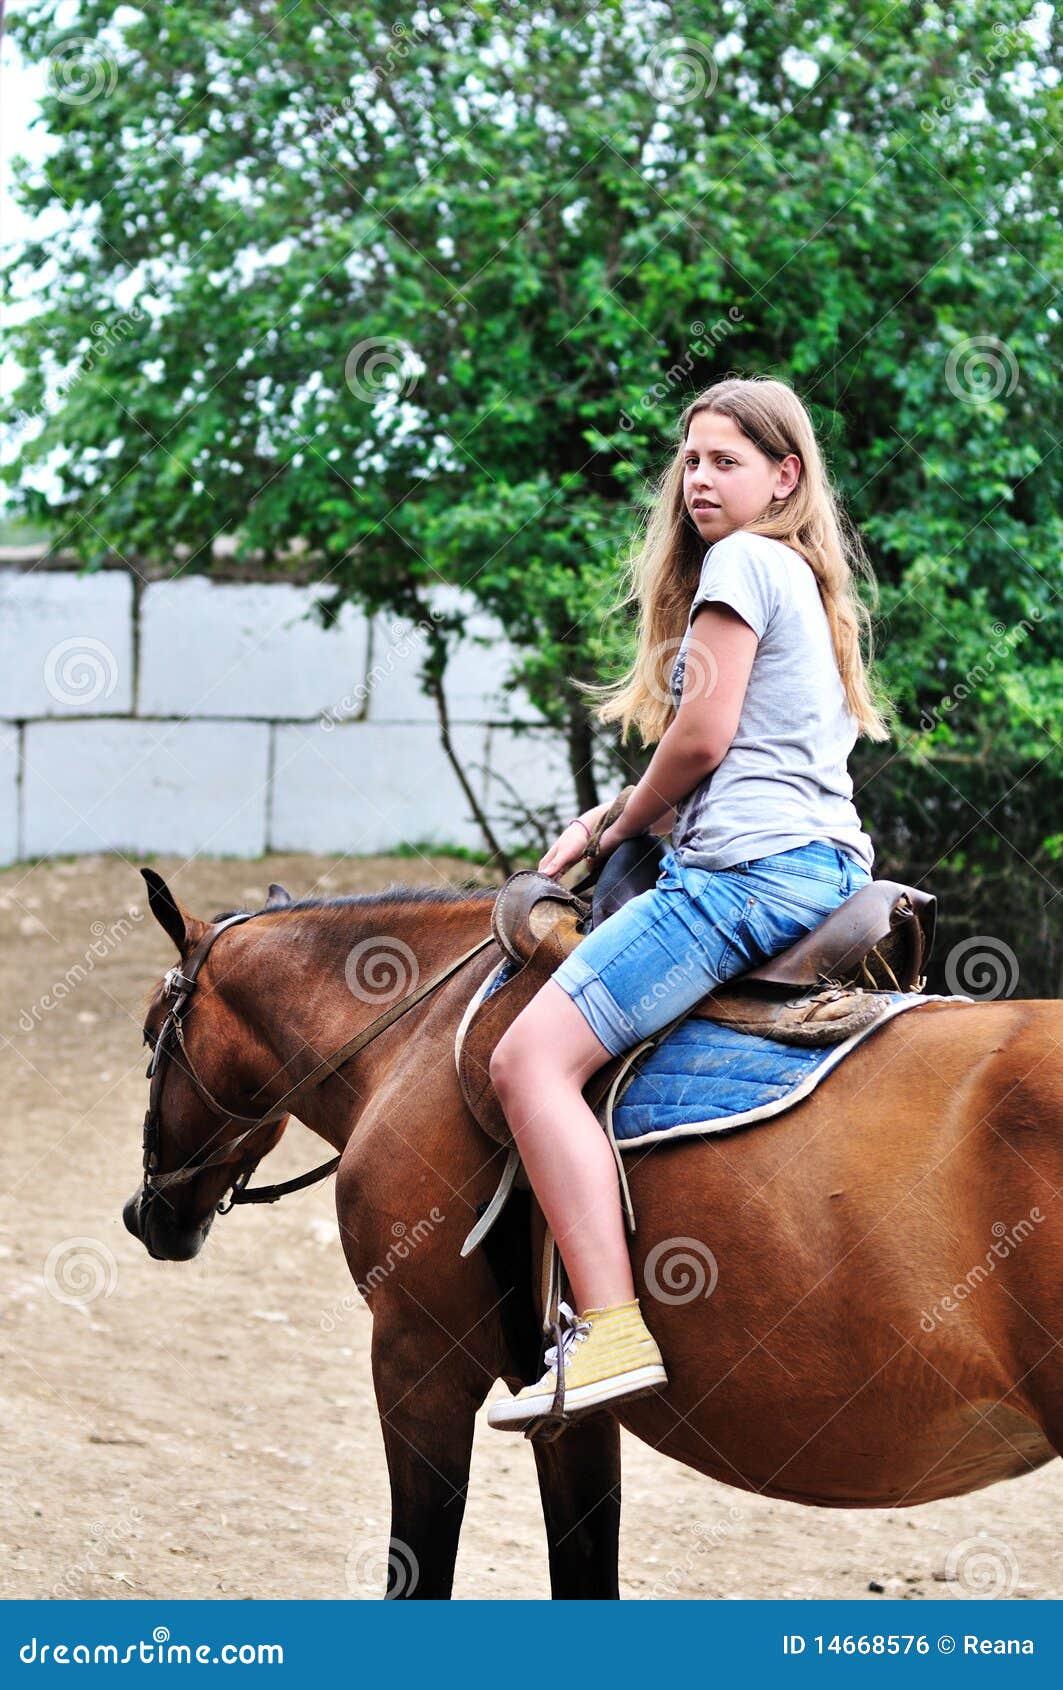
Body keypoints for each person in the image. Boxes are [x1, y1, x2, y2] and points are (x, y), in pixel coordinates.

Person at [486, 375, 891, 1433]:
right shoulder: (794, 575)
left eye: (727, 460)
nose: (700, 478)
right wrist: (607, 814)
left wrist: (616, 830)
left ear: (783, 477)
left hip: (743, 880)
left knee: (525, 1062)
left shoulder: (742, 561)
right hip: (814, 865)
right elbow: (722, 755)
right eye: (692, 458)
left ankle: (611, 1331)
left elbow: (702, 742)